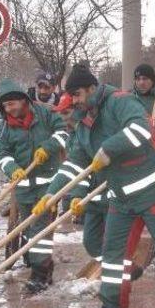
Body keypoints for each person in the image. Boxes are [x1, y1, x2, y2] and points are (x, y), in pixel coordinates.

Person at [33, 64, 155, 308]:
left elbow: (141, 130)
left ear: (92, 88)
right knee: (113, 257)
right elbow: (76, 163)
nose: (75, 101)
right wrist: (52, 192)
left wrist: (108, 149)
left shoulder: (120, 101)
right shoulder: (83, 122)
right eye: (72, 97)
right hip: (122, 197)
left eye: (77, 94)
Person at [0, 78, 69, 294]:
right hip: (24, 187)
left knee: (41, 229)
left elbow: (63, 133)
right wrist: (12, 169)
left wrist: (48, 147)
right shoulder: (4, 128)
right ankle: (41, 265)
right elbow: (1, 153)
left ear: (24, 101)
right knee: (28, 228)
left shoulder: (45, 114)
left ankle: (39, 274)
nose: (10, 109)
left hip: (48, 185)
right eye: (6, 106)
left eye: (13, 104)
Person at [53, 92, 108, 264]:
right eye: (60, 114)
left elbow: (88, 168)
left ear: (75, 110)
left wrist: (79, 194)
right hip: (91, 194)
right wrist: (73, 194)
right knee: (90, 242)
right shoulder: (72, 133)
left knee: (114, 239)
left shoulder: (91, 131)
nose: (63, 119)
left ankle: (118, 273)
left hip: (108, 194)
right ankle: (106, 264)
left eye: (65, 113)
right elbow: (77, 168)